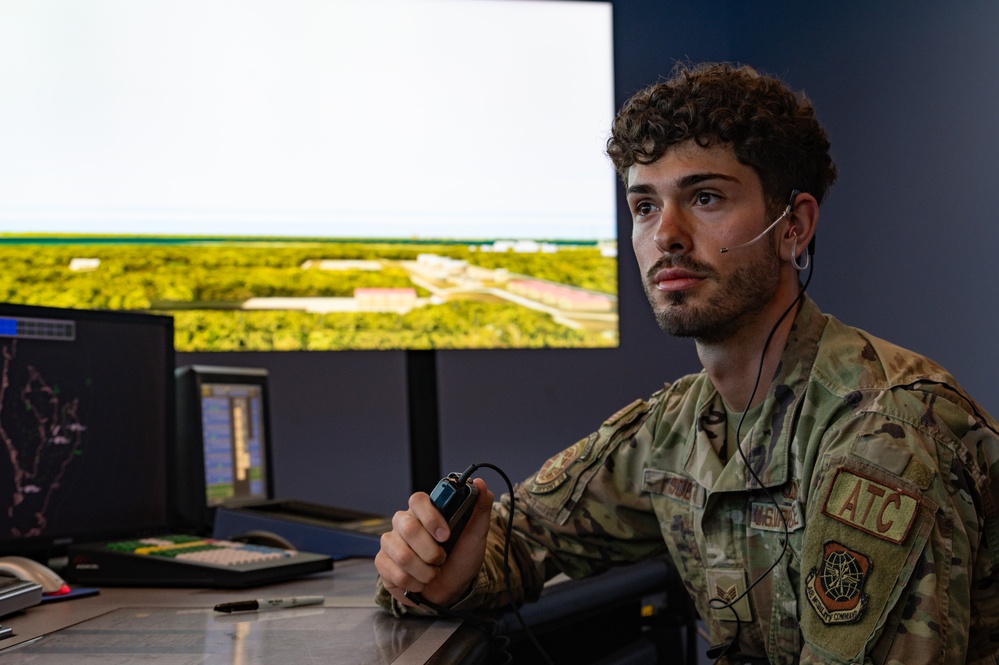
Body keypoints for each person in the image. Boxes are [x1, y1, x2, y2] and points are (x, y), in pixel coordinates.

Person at [373, 62, 999, 664]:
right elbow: (519, 536)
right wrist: (434, 570)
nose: (666, 235)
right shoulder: (677, 426)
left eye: (703, 197)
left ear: (794, 227)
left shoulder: (884, 432)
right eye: (645, 206)